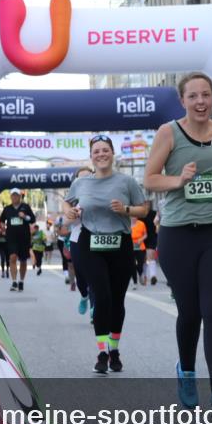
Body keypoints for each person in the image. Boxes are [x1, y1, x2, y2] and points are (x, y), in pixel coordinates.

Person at [144, 72, 212, 412]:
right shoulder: (169, 132)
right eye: (193, 96)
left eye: (206, 95)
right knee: (190, 311)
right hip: (178, 233)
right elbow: (150, 179)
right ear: (182, 101)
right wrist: (178, 180)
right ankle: (186, 370)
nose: (200, 102)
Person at [63, 135, 147, 375]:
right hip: (91, 243)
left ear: (112, 153)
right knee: (101, 296)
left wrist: (126, 209)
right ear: (91, 157)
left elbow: (143, 209)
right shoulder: (81, 183)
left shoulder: (127, 181)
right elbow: (68, 204)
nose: (101, 154)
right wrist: (70, 212)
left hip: (120, 243)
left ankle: (114, 350)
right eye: (96, 151)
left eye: (105, 150)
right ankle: (102, 353)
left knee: (117, 299)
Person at [66, 167, 95, 316]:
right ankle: (84, 296)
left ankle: (94, 308)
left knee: (95, 273)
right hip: (77, 239)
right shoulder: (73, 202)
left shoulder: (101, 196)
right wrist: (73, 215)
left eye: (88, 177)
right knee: (80, 275)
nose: (84, 181)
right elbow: (65, 223)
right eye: (80, 178)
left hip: (96, 239)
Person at [0, 189, 35, 291]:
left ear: (20, 197)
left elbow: (33, 219)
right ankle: (14, 282)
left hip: (24, 238)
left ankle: (21, 281)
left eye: (16, 195)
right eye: (13, 195)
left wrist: (25, 216)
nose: (14, 197)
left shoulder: (25, 207)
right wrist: (2, 227)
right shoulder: (7, 209)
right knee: (12, 257)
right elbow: (2, 220)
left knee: (23, 260)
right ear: (10, 197)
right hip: (11, 238)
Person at [130, 217, 147, 290]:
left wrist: (141, 239)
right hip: (130, 248)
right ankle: (135, 283)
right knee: (132, 265)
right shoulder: (127, 224)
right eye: (132, 216)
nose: (134, 218)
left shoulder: (141, 224)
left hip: (140, 247)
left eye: (135, 216)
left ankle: (140, 274)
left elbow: (145, 235)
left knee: (140, 264)